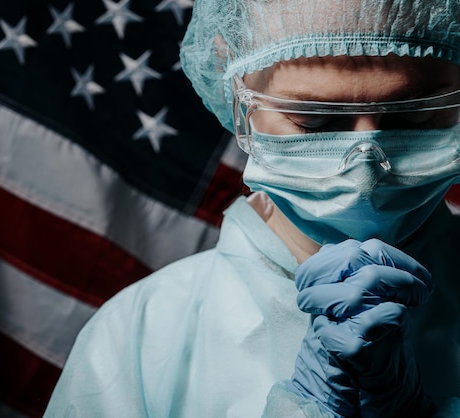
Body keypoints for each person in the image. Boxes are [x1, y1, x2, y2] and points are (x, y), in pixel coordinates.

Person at [44, 0, 460, 416]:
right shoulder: (139, 336)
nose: (365, 172)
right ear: (239, 98)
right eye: (312, 121)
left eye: (415, 117)